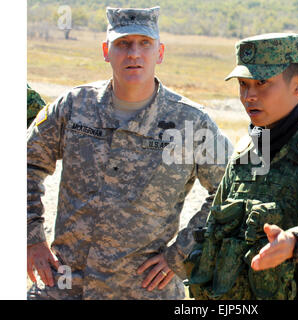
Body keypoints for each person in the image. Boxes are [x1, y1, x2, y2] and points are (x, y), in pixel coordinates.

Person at [27, 6, 232, 300]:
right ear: (106, 51)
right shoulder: (75, 106)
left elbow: (231, 190)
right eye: (122, 44)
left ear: (159, 52)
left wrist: (182, 253)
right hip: (65, 286)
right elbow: (25, 163)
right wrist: (31, 237)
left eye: (144, 44)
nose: (133, 53)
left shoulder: (190, 122)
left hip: (143, 291)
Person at [185, 33, 298, 300]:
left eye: (262, 83)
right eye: (243, 84)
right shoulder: (247, 152)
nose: (249, 96)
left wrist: (295, 242)